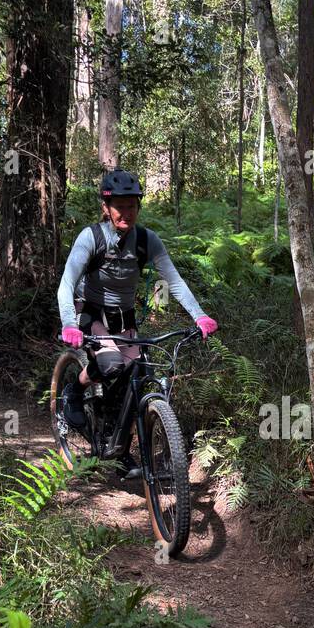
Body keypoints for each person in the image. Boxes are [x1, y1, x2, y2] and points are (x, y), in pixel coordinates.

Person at [58, 170, 218, 472]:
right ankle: (74, 391)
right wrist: (69, 323)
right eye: (119, 206)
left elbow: (173, 281)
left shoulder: (146, 240)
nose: (126, 213)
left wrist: (200, 316)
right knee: (110, 364)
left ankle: (119, 443)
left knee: (140, 371)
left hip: (124, 316)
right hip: (90, 312)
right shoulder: (91, 237)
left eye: (132, 206)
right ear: (106, 208)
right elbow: (66, 283)